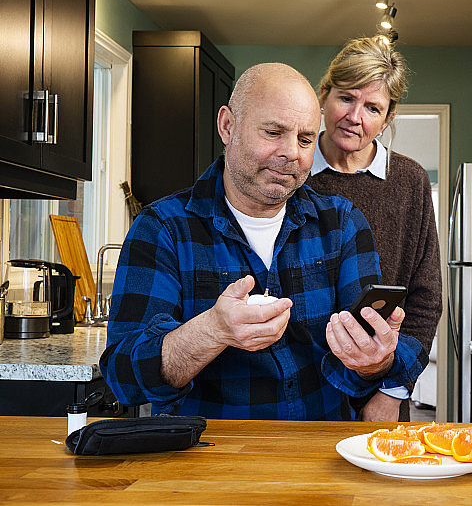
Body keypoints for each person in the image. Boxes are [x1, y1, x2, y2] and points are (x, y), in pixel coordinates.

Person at [99, 63, 428, 420]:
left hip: (321, 456)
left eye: (304, 139)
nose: (291, 153)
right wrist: (211, 331)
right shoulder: (162, 228)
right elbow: (124, 378)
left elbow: (364, 367)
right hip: (204, 459)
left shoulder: (342, 223)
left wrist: (375, 362)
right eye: (273, 132)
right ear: (227, 126)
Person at [305, 37, 442, 422]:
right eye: (346, 98)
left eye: (373, 108)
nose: (355, 116)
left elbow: (426, 298)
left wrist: (392, 392)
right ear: (324, 94)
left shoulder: (408, 180)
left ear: (388, 117)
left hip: (381, 386)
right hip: (300, 390)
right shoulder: (292, 170)